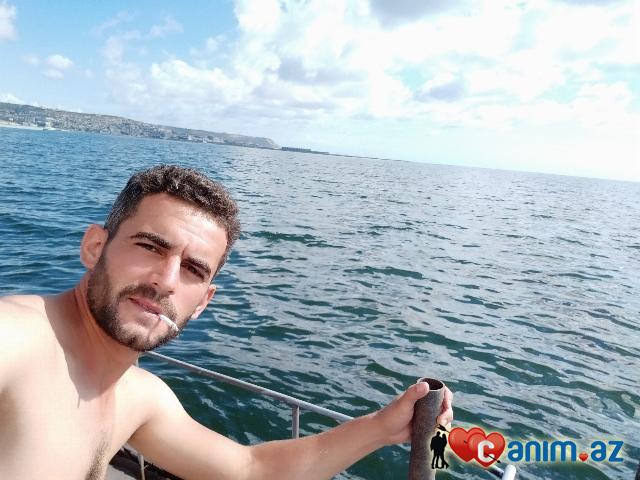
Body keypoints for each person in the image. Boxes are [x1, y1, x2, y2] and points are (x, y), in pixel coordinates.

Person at [0, 165, 453, 479]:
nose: (165, 281)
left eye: (193, 269)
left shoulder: (138, 396)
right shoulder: (17, 340)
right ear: (95, 247)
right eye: (150, 247)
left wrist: (382, 427)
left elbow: (251, 470)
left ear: (203, 302)